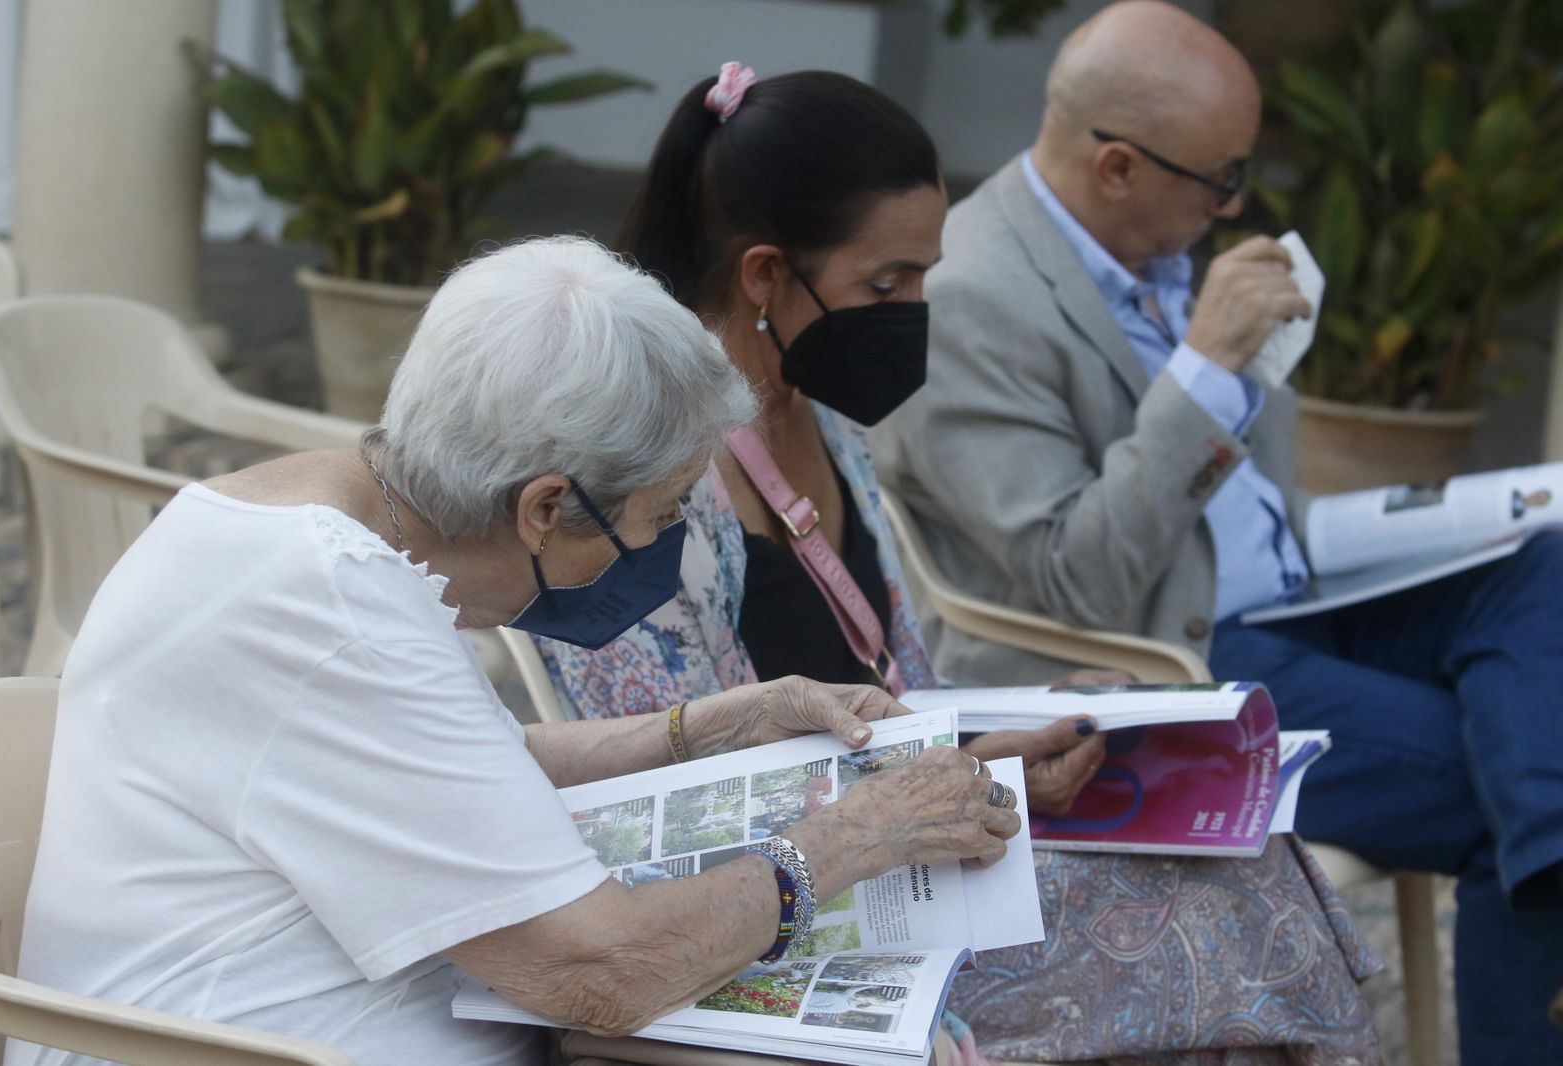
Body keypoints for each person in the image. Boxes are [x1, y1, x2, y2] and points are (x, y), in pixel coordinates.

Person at [538, 66, 1382, 1065]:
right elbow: (670, 815)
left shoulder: (820, 421)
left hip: (918, 846)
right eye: (886, 285)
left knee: (1236, 859)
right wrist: (947, 786)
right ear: (765, 275)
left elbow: (899, 680)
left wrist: (1015, 735)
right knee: (1226, 924)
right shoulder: (643, 486)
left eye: (924, 277)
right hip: (803, 911)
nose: (913, 312)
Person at [6, 237, 1023, 1066]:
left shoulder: (321, 519)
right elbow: (602, 971)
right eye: (664, 513)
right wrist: (851, 839)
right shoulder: (328, 608)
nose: (670, 546)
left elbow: (453, 766)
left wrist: (723, 719)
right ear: (546, 506)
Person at [871, 2, 1563, 1059]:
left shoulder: (1153, 241)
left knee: (1541, 558)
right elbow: (1074, 579)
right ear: (1115, 167)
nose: (1234, 204)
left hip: (1296, 595)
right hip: (1157, 655)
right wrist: (1202, 369)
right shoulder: (969, 301)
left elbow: (1249, 492)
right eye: (1220, 178)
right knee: (1510, 802)